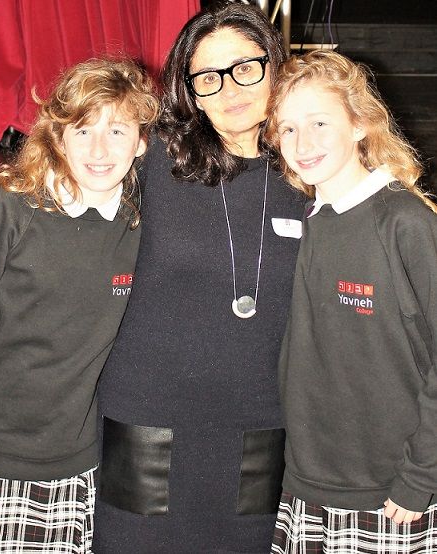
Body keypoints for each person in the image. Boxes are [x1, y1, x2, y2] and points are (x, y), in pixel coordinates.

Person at [93, 2, 305, 553]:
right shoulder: (152, 160)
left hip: (258, 422)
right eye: (207, 77)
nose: (230, 88)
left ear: (274, 63)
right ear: (189, 89)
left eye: (245, 67)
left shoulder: (309, 171)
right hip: (147, 414)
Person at [265, 49, 437, 553]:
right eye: (288, 129)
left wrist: (419, 474)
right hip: (306, 481)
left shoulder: (404, 222)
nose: (303, 143)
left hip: (388, 493)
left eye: (319, 122)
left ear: (360, 123)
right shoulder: (311, 220)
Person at [0, 58, 158, 553]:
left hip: (77, 465)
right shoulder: (12, 208)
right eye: (83, 131)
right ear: (58, 138)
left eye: (118, 130)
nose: (100, 150)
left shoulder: (142, 225)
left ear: (141, 143)